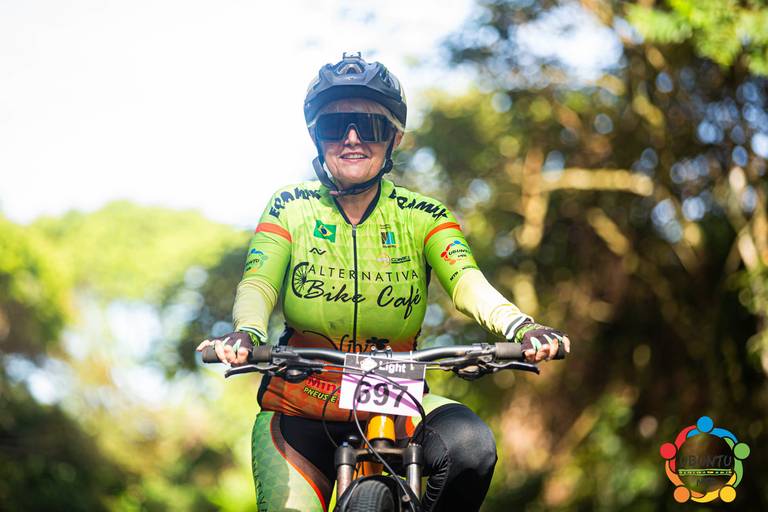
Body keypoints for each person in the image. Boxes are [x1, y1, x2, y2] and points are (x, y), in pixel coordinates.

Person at [197, 52, 570, 512]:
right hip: (300, 406)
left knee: (471, 449)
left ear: (395, 138)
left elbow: (466, 282)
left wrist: (522, 327)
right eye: (336, 126)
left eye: (370, 126)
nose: (352, 138)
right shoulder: (290, 206)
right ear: (317, 136)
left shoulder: (424, 214)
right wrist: (248, 332)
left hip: (398, 400)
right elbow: (259, 283)